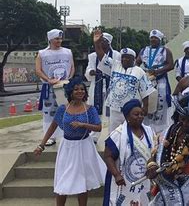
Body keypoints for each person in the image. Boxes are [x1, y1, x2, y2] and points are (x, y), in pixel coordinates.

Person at [34, 78, 106, 206]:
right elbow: (53, 126)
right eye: (76, 89)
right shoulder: (63, 109)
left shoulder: (90, 109)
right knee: (63, 179)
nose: (80, 91)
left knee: (83, 181)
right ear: (70, 91)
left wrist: (83, 124)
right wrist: (42, 145)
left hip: (84, 147)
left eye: (82, 89)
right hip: (67, 147)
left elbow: (98, 127)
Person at [93, 29, 155, 133]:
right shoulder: (115, 65)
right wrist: (97, 43)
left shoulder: (139, 72)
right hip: (115, 110)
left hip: (132, 111)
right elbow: (101, 56)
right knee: (114, 134)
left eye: (128, 58)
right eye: (123, 57)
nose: (124, 60)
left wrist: (146, 107)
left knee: (132, 134)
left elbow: (145, 91)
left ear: (133, 59)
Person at [103, 99, 155, 205]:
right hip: (123, 181)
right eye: (136, 114)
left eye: (141, 114)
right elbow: (108, 156)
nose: (140, 116)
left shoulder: (149, 131)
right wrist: (116, 174)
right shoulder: (117, 134)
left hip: (145, 179)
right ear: (127, 117)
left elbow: (155, 153)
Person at [35, 29, 75, 146]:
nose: (59, 41)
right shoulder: (42, 53)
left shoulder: (68, 52)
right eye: (57, 39)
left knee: (66, 110)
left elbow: (72, 67)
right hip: (49, 87)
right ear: (50, 39)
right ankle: (50, 137)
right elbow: (38, 70)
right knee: (49, 112)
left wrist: (69, 78)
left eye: (60, 38)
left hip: (64, 86)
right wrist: (48, 80)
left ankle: (65, 134)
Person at [85, 32, 120, 143]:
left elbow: (115, 68)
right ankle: (94, 136)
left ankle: (112, 136)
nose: (101, 43)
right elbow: (88, 68)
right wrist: (91, 72)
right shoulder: (92, 56)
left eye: (103, 41)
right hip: (97, 86)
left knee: (111, 113)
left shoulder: (116, 55)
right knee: (95, 110)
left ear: (109, 43)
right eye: (100, 41)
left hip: (111, 86)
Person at [136, 29, 174, 134]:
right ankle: (146, 129)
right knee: (146, 102)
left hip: (160, 80)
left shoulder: (165, 51)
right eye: (151, 38)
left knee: (160, 104)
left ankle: (159, 131)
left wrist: (157, 71)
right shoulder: (144, 50)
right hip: (146, 80)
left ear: (159, 39)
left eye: (155, 38)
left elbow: (171, 65)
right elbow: (137, 62)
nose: (153, 40)